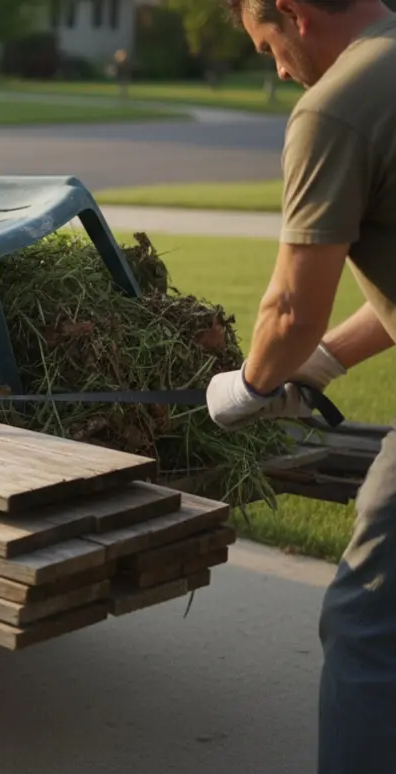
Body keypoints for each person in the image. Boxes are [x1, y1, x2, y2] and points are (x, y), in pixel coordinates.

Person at [204, 1, 396, 771]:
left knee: (368, 623)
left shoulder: (336, 106)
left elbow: (289, 309)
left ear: (291, 11)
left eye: (268, 47)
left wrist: (248, 387)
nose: (280, 70)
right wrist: (326, 362)